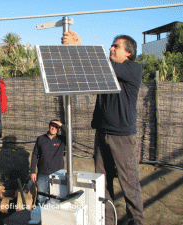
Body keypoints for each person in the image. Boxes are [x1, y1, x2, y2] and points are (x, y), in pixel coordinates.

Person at [63, 32, 145, 225]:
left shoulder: (133, 69)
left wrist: (80, 47)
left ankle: (137, 222)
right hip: (102, 134)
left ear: (129, 53)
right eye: (111, 45)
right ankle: (108, 221)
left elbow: (102, 64)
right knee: (102, 183)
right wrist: (78, 49)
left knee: (129, 185)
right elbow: (89, 67)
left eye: (116, 46)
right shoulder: (106, 69)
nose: (111, 48)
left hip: (123, 138)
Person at [30, 120, 75, 205]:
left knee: (57, 198)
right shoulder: (41, 139)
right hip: (43, 174)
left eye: (56, 126)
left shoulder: (61, 139)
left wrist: (62, 125)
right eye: (52, 125)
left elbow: (72, 139)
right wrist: (33, 171)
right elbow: (35, 155)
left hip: (57, 175)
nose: (53, 128)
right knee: (41, 198)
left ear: (58, 129)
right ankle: (40, 215)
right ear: (49, 126)